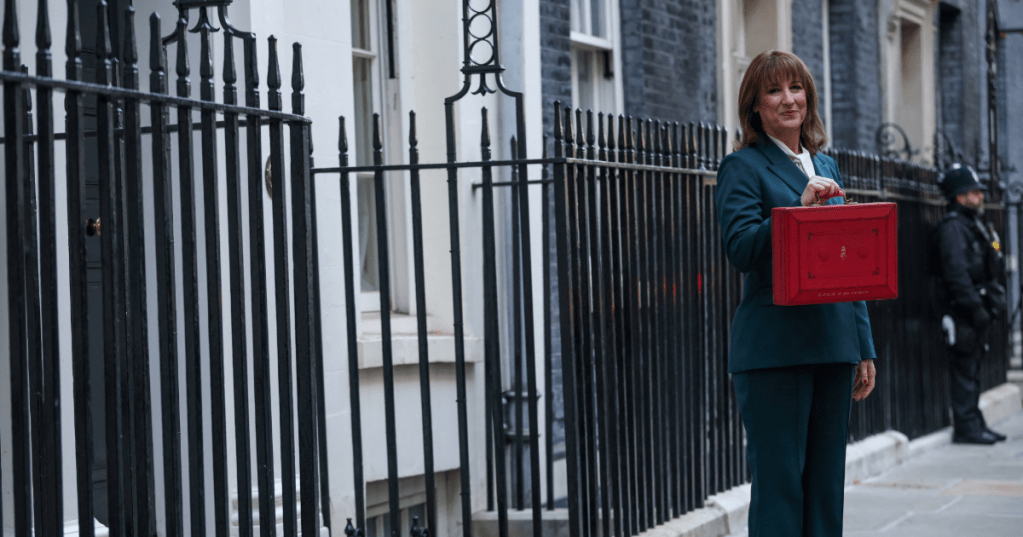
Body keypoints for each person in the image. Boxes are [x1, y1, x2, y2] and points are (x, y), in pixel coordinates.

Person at [715, 50, 877, 537]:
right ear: (755, 107)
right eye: (774, 91)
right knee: (781, 487)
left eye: (796, 88)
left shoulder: (825, 163)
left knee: (826, 489)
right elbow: (741, 248)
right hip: (774, 351)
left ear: (809, 97)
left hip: (833, 345)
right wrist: (796, 213)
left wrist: (863, 348)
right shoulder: (741, 166)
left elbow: (850, 263)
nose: (788, 100)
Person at [935, 164, 1007, 445]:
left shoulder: (973, 224)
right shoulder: (953, 228)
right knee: (965, 370)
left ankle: (976, 422)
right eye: (974, 192)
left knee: (973, 369)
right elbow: (956, 273)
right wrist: (975, 307)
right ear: (960, 196)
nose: (980, 197)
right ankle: (967, 427)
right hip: (963, 310)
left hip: (977, 307)